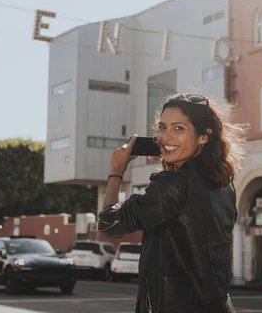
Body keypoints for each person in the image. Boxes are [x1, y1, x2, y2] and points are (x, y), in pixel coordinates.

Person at [98, 93, 247, 313]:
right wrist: (173, 163)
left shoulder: (172, 185)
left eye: (179, 129)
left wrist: (116, 173)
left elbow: (109, 225)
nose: (166, 137)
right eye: (162, 127)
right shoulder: (224, 184)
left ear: (203, 136)